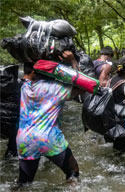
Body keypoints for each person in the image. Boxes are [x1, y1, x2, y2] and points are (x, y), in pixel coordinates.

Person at [16, 51, 83, 187]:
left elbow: (28, 74)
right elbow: (82, 85)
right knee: (73, 171)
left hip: (25, 140)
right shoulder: (56, 88)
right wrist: (73, 62)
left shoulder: (24, 87)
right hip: (49, 139)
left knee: (23, 183)